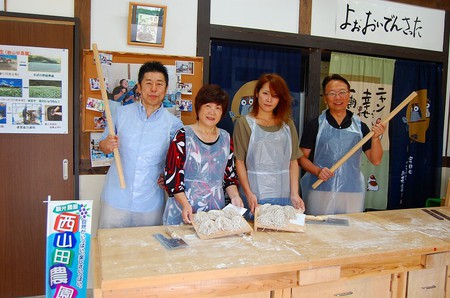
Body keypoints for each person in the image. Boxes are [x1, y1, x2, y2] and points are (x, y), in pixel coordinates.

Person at [98, 61, 183, 229]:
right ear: (139, 87)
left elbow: (176, 162)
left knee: (147, 252)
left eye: (159, 84)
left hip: (150, 203)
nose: (153, 89)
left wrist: (167, 176)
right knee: (110, 250)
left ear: (165, 89)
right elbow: (102, 146)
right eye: (148, 83)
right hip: (115, 198)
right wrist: (107, 144)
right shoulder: (120, 113)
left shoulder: (174, 124)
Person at [298, 74, 386, 215]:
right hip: (321, 190)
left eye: (342, 92)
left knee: (349, 233)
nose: (337, 98)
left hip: (351, 191)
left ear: (349, 95)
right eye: (332, 93)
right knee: (319, 232)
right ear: (325, 98)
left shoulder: (361, 127)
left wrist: (376, 139)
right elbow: (300, 158)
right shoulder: (315, 125)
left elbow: (376, 160)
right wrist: (317, 171)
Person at [163, 84, 244, 225]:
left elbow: (229, 177)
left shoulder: (225, 138)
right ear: (199, 107)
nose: (212, 112)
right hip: (184, 210)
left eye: (218, 108)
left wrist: (235, 197)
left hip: (214, 213)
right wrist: (185, 205)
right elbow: (172, 179)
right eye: (208, 106)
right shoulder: (183, 136)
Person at [233, 73, 305, 218]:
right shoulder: (245, 123)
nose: (269, 99)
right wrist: (248, 193)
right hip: (255, 195)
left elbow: (293, 161)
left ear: (280, 99)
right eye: (265, 93)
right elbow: (239, 161)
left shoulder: (288, 125)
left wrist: (294, 193)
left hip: (284, 193)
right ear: (257, 93)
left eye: (274, 95)